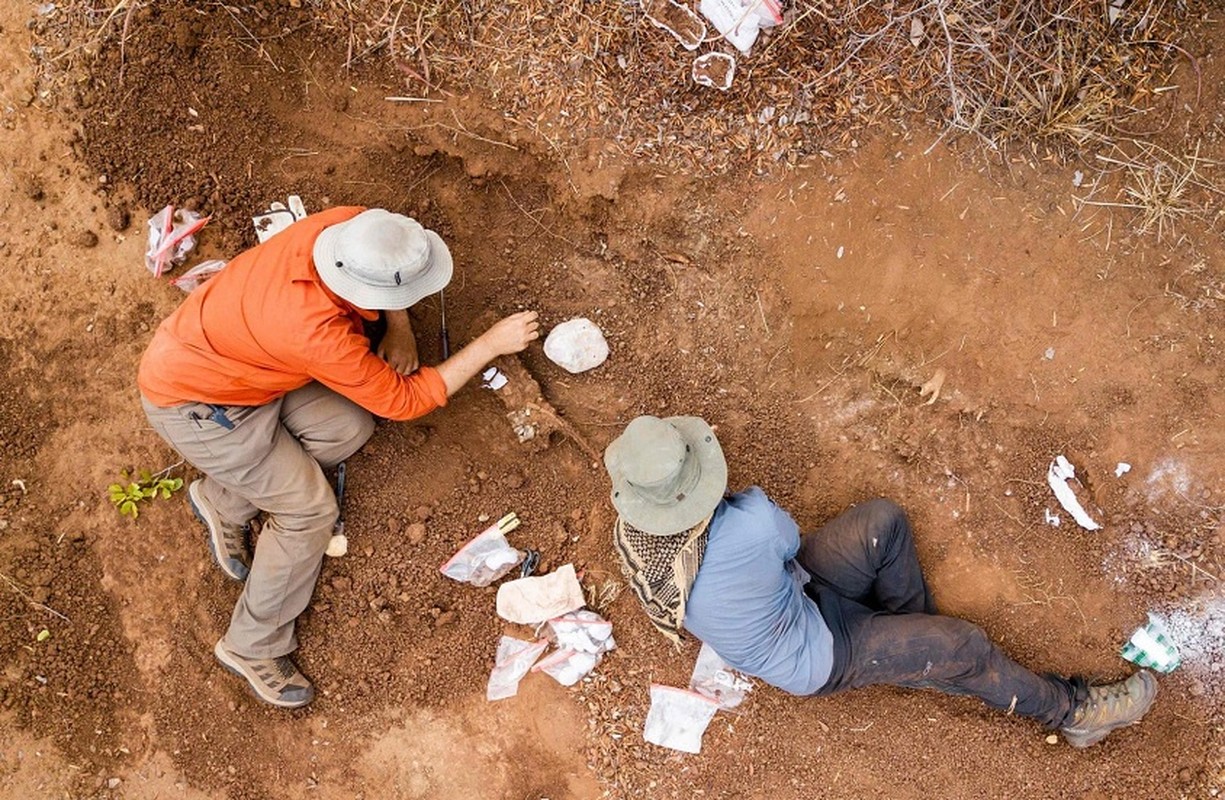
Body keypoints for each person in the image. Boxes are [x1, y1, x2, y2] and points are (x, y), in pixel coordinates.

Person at [138, 206, 539, 708]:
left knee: (346, 424)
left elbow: (383, 276)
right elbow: (406, 401)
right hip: (200, 408)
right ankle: (252, 644)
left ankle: (225, 502)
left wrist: (401, 328)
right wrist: (488, 345)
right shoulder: (313, 332)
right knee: (309, 512)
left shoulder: (349, 227)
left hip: (238, 369)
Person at [603, 415, 1158, 748]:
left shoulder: (641, 539)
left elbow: (778, 560)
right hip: (815, 654)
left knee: (882, 524)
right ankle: (1073, 713)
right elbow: (788, 541)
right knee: (964, 644)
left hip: (795, 597)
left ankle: (916, 645)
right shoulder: (748, 523)